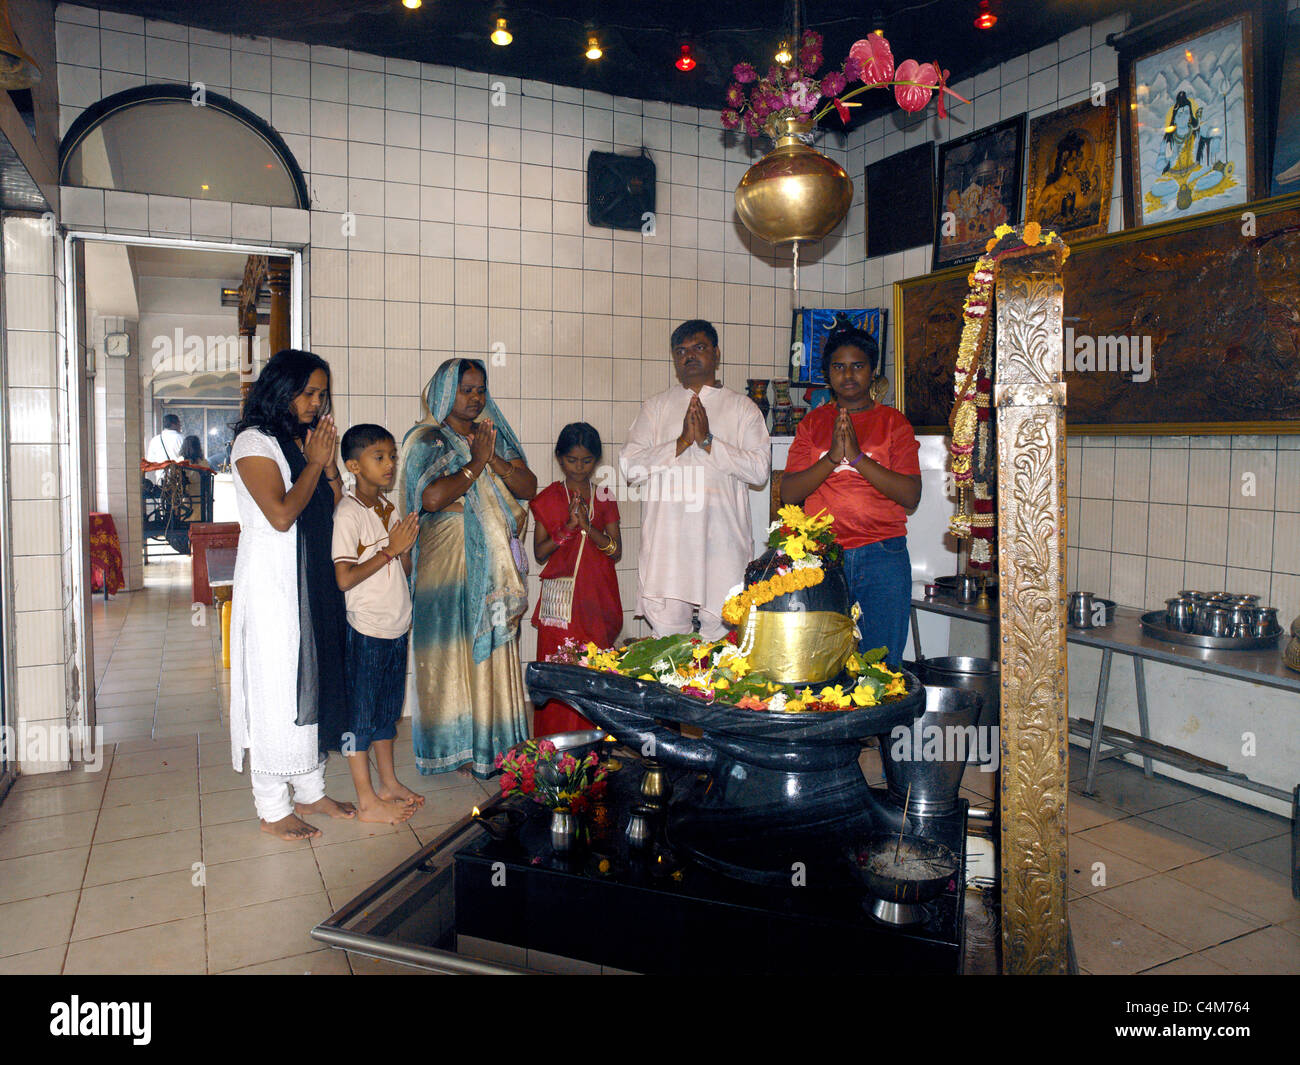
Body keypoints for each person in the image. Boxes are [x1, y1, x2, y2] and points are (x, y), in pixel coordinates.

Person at [229, 348, 356, 841]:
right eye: (307, 392)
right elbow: (282, 515)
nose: (316, 402)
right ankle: (271, 805)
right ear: (280, 390)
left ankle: (309, 788)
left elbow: (334, 503)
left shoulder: (299, 440)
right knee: (277, 687)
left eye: (322, 394)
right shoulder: (253, 442)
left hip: (310, 579)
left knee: (311, 679)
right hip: (273, 584)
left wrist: (324, 466)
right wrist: (313, 461)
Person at [397, 359, 537, 777]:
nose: (476, 398)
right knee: (451, 655)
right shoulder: (426, 440)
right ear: (444, 392)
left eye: (481, 390)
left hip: (489, 571)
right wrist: (475, 463)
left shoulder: (491, 434)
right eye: (466, 390)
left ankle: (494, 746)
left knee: (491, 651)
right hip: (445, 569)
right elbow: (432, 499)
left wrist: (491, 459)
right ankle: (456, 749)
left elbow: (528, 487)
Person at [780, 326, 921, 668]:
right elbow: (789, 493)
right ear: (828, 374)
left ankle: (881, 725)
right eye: (839, 366)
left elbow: (910, 495)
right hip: (824, 557)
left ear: (872, 371)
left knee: (881, 663)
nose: (848, 374)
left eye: (857, 366)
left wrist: (857, 457)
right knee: (821, 663)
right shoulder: (813, 423)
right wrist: (832, 457)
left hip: (882, 555)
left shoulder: (894, 423)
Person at [620, 319, 769, 640]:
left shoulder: (743, 408)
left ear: (716, 353)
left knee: (723, 642)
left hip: (722, 543)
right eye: (681, 351)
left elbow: (759, 471)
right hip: (669, 544)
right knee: (670, 648)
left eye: (698, 348)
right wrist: (681, 442)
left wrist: (708, 441)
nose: (689, 356)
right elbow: (630, 466)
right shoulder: (655, 408)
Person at [332, 424, 426, 824]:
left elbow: (401, 568)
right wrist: (391, 550)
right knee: (361, 717)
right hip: (366, 630)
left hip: (395, 626)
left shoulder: (389, 508)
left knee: (387, 713)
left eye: (392, 456)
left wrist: (403, 551)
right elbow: (344, 579)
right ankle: (366, 798)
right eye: (379, 457)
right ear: (354, 465)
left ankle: (387, 782)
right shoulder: (348, 513)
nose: (389, 464)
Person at [530, 422, 623, 734]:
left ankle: (595, 743)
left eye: (586, 461)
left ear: (596, 461)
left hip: (598, 597)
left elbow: (614, 550)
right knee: (561, 670)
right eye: (572, 460)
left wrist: (587, 525)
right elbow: (540, 552)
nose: (579, 468)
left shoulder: (605, 495)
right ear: (559, 458)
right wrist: (568, 528)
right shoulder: (548, 498)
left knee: (594, 669)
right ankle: (554, 745)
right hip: (562, 604)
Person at [145, 413, 183, 485]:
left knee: (163, 495)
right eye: (179, 423)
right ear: (174, 424)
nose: (180, 426)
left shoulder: (155, 440)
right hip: (179, 478)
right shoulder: (181, 439)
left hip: (161, 479)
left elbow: (150, 461)